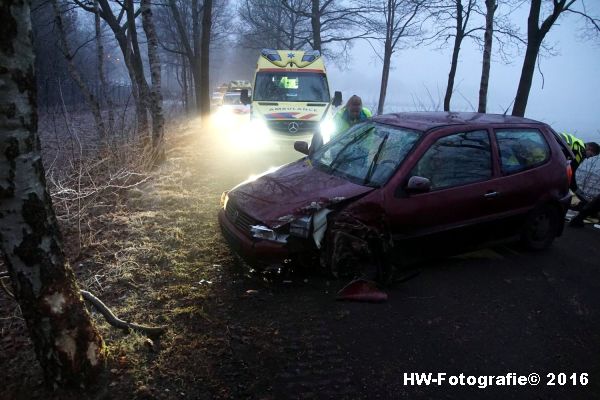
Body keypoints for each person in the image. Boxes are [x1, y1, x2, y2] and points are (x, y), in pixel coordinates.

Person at [559, 132, 600, 202]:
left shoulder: (577, 143)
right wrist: (579, 193)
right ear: (590, 148)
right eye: (590, 155)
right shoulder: (579, 153)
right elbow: (571, 173)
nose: (588, 158)